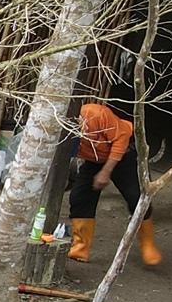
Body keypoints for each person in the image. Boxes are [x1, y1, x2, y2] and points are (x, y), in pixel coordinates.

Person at [66, 100, 160, 266]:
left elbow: (121, 139)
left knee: (136, 196)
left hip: (124, 153)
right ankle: (80, 249)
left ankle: (147, 243)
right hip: (94, 159)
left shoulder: (95, 114)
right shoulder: (59, 129)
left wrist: (106, 171)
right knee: (79, 197)